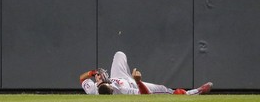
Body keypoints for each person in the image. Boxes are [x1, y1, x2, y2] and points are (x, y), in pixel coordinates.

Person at [80, 51, 213, 95]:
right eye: (98, 78)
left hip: (118, 75)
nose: (98, 77)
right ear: (109, 88)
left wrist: (92, 72)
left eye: (98, 78)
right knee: (168, 91)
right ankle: (197, 91)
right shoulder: (123, 90)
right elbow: (145, 95)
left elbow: (81, 79)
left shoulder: (93, 89)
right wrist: (138, 81)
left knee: (119, 54)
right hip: (133, 84)